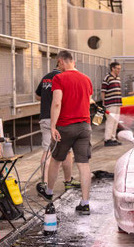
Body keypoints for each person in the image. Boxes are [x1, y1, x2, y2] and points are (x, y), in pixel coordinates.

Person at [37, 50, 94, 215]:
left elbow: (56, 103)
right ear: (73, 61)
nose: (58, 66)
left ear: (61, 61)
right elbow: (87, 100)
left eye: (58, 63)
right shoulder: (87, 79)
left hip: (65, 127)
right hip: (84, 126)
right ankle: (85, 203)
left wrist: (53, 126)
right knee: (83, 165)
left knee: (56, 160)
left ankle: (49, 192)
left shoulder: (59, 78)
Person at [35, 62, 78, 191]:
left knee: (47, 151)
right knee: (67, 151)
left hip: (45, 118)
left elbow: (37, 96)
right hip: (60, 118)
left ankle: (44, 183)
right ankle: (68, 181)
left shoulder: (46, 77)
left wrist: (48, 98)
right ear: (61, 63)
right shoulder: (64, 78)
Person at [101, 62, 123, 147]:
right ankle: (107, 139)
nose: (119, 70)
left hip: (117, 103)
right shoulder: (107, 78)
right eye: (117, 68)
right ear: (112, 68)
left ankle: (113, 138)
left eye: (120, 68)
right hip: (110, 103)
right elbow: (103, 91)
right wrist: (104, 102)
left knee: (115, 121)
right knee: (110, 121)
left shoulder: (118, 78)